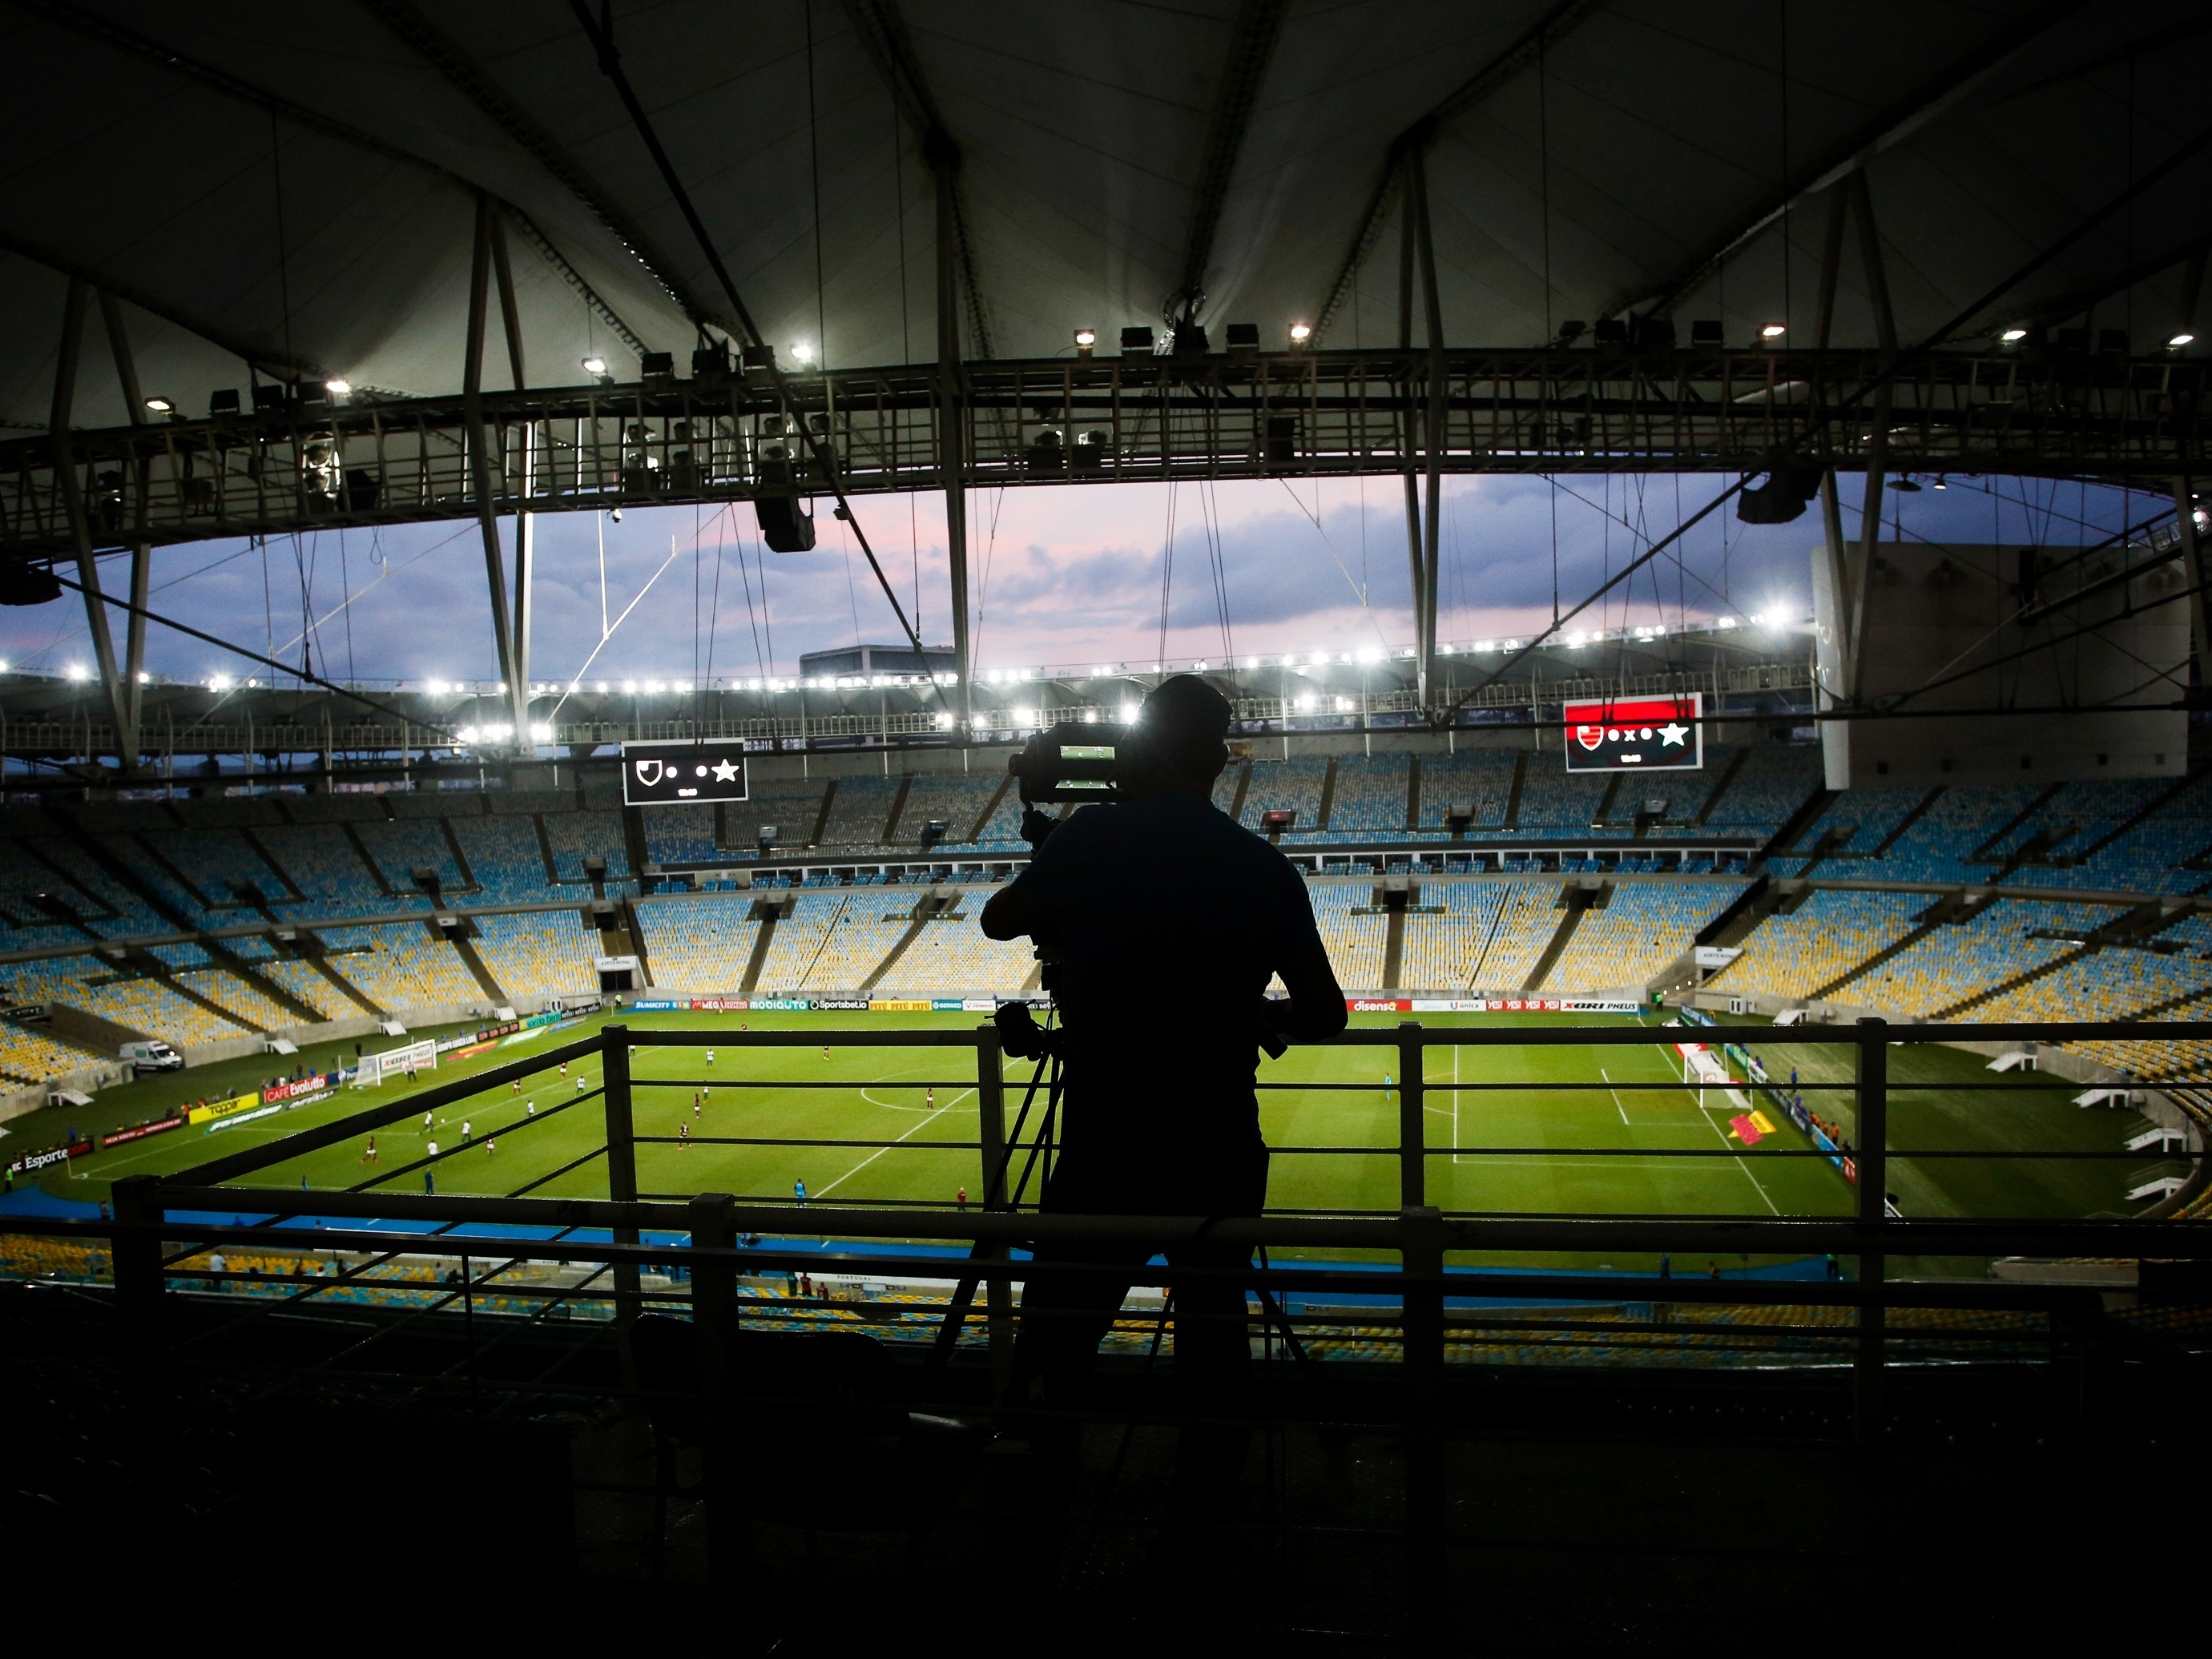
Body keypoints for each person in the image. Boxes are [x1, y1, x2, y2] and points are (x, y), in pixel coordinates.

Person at [978, 674, 1347, 1525]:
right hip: (1218, 1138)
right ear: (1219, 761)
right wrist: (1245, 1015)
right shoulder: (1261, 864)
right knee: (1212, 1327)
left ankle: (1042, 1498)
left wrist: (1060, 849)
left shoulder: (1092, 838)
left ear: (1140, 751)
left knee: (1063, 1326)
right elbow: (1323, 1011)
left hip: (1108, 1137)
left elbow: (1002, 920)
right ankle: (1205, 1510)